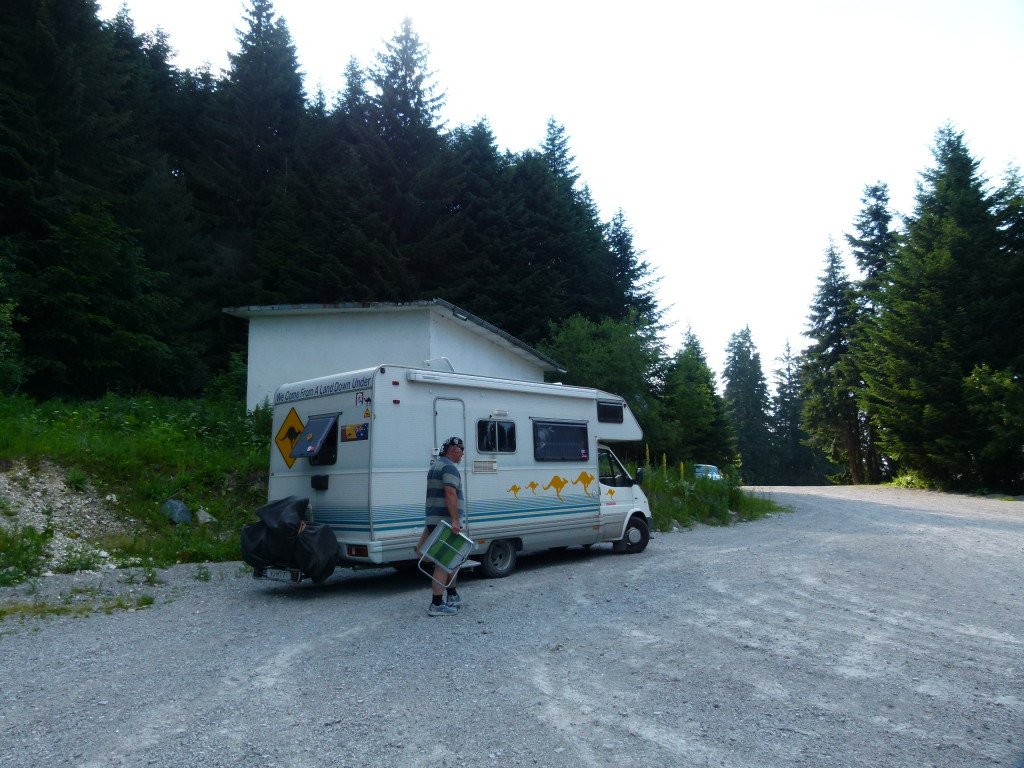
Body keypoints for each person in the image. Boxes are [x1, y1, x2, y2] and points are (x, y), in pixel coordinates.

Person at [420, 436, 466, 616]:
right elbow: (450, 492)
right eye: (462, 449)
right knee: (443, 562)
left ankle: (452, 595)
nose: (463, 454)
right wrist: (455, 520)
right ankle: (437, 604)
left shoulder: (435, 466)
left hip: (435, 519)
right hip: (445, 521)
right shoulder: (449, 467)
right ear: (454, 449)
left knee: (453, 559)